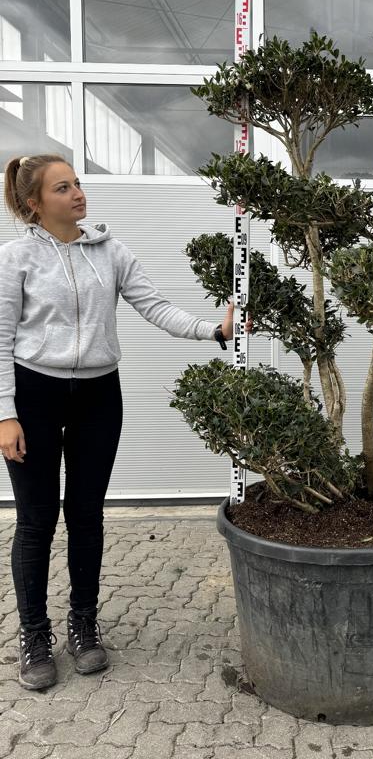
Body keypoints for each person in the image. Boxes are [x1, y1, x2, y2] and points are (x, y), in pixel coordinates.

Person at [0, 153, 253, 691]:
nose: (78, 194)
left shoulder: (111, 252)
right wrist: (5, 415)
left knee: (87, 515)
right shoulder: (14, 258)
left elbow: (155, 306)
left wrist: (215, 330)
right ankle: (35, 635)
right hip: (35, 396)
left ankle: (84, 627)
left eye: (78, 184)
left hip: (98, 396)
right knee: (36, 522)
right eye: (63, 187)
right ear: (34, 204)